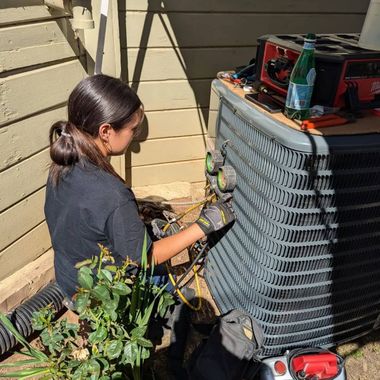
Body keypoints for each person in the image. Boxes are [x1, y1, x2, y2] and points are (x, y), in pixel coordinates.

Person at [44, 74, 235, 303]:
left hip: (70, 279)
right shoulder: (113, 195)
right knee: (167, 277)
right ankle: (164, 305)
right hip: (102, 295)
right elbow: (145, 259)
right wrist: (203, 225)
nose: (135, 136)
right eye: (132, 129)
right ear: (105, 131)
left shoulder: (61, 164)